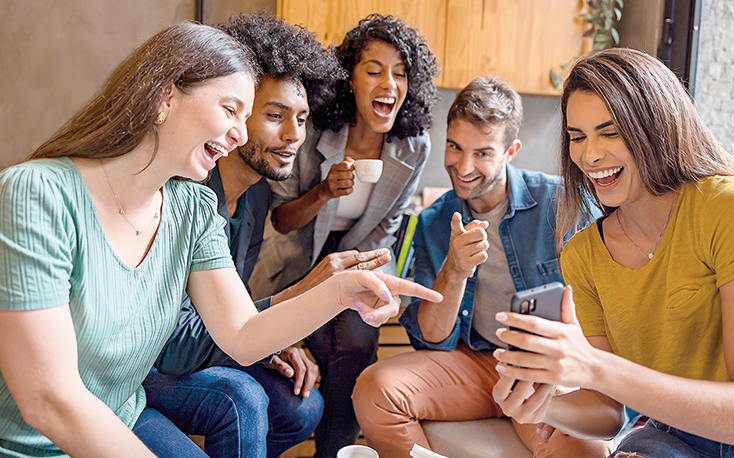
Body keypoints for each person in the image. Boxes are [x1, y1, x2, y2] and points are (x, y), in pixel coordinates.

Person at [0, 22, 442, 458]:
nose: (241, 134)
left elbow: (244, 334)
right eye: (231, 110)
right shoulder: (37, 193)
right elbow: (47, 400)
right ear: (164, 97)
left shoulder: (192, 207)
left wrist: (341, 292)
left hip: (124, 413)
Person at [492, 48, 734, 458]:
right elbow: (606, 412)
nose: (590, 155)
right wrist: (543, 402)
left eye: (610, 131)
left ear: (655, 127)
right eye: (577, 137)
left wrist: (594, 365)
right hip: (671, 436)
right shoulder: (583, 254)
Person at [142, 13, 392, 458]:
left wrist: (268, 343)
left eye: (302, 119)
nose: (295, 136)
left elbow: (226, 309)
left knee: (302, 407)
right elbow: (176, 345)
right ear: (234, 117)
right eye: (275, 116)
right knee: (243, 400)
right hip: (151, 358)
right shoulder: (189, 194)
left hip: (200, 343)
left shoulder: (256, 199)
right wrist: (300, 295)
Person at [351, 76, 612, 458]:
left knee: (585, 452)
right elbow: (432, 339)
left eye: (483, 153)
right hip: (475, 362)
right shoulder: (433, 221)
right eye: (455, 147)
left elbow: (609, 308)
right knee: (375, 390)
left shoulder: (563, 204)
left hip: (545, 369)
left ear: (511, 151)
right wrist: (455, 270)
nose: (464, 166)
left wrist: (565, 366)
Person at [249, 14, 440, 457]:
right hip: (294, 255)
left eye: (400, 72)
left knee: (355, 343)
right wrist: (323, 191)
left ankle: (334, 452)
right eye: (373, 70)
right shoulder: (312, 129)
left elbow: (384, 231)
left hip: (359, 255)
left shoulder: (414, 146)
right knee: (314, 340)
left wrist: (358, 279)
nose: (388, 82)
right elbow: (281, 222)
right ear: (350, 80)